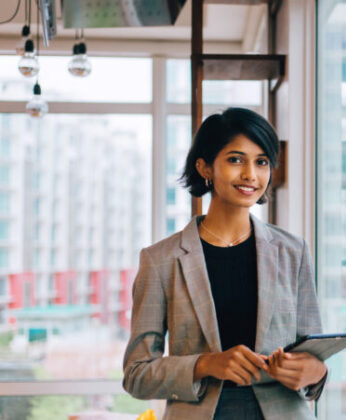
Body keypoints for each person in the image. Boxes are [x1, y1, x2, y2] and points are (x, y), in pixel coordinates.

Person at [122, 108, 328, 420]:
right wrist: (206, 364)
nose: (251, 174)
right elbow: (137, 375)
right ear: (205, 167)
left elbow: (313, 355)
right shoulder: (161, 260)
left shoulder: (293, 251)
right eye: (235, 159)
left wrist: (316, 371)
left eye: (261, 162)